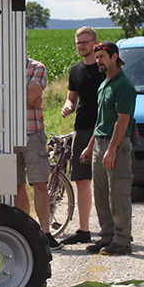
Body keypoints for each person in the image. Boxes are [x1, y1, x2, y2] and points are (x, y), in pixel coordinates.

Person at [80, 41, 137, 256]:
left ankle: (122, 241)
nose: (98, 61)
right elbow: (101, 121)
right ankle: (107, 237)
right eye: (97, 58)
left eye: (102, 57)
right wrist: (90, 147)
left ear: (114, 57)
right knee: (101, 193)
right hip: (101, 143)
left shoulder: (124, 85)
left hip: (117, 145)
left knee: (118, 194)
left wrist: (112, 150)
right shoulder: (105, 84)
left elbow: (122, 121)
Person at [59, 27, 104, 245]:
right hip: (83, 128)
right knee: (82, 180)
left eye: (85, 42)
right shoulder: (75, 70)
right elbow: (71, 98)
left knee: (106, 181)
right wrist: (67, 107)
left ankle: (111, 230)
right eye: (78, 43)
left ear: (95, 43)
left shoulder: (104, 68)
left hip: (104, 130)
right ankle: (83, 230)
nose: (82, 46)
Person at [15, 57, 63, 250]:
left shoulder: (37, 67)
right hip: (8, 135)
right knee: (16, 186)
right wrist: (28, 97)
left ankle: (45, 233)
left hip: (32, 132)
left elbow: (30, 96)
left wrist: (26, 97)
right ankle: (24, 233)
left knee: (40, 184)